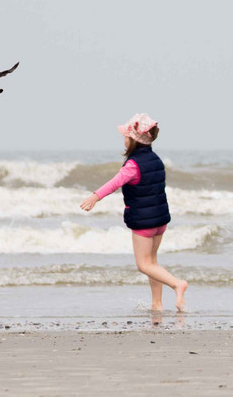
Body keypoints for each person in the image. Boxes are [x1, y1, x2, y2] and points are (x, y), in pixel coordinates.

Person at [80, 114, 187, 312]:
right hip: (160, 220)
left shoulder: (133, 165)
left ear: (134, 140)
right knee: (153, 263)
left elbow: (114, 183)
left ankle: (177, 284)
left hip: (144, 222)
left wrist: (95, 196)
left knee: (143, 265)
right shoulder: (156, 159)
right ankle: (157, 304)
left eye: (126, 136)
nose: (123, 138)